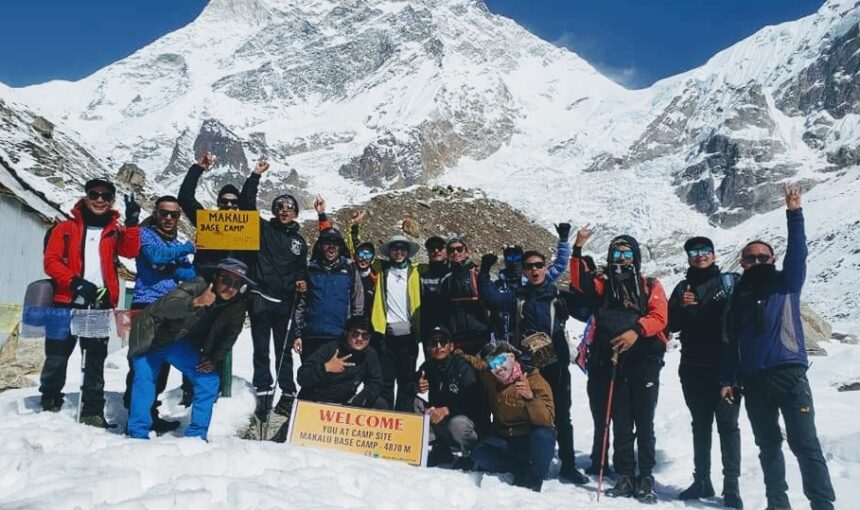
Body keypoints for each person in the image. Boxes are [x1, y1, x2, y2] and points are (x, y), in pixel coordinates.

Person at [722, 185, 835, 510]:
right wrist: (726, 379)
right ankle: (777, 504)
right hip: (754, 382)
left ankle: (823, 505)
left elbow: (799, 251)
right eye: (750, 258)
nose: (757, 261)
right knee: (768, 446)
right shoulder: (737, 300)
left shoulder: (787, 284)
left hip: (790, 376)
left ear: (772, 259)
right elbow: (730, 345)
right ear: (742, 263)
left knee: (805, 444)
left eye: (763, 257)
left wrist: (794, 212)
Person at [571, 229, 669, 504]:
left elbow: (659, 316)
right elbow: (580, 283)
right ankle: (626, 474)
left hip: (643, 362)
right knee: (622, 422)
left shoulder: (649, 285)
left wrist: (636, 331)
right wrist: (577, 248)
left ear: (635, 257)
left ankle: (646, 474)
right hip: (614, 362)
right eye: (617, 253)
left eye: (627, 254)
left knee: (644, 421)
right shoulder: (604, 286)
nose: (622, 258)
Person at [478, 249, 589, 485]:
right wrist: (485, 272)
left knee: (562, 415)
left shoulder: (558, 295)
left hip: (556, 366)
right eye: (529, 267)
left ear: (545, 267)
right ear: (525, 271)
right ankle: (532, 458)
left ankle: (567, 465)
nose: (534, 270)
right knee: (529, 410)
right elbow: (490, 298)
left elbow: (586, 309)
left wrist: (585, 277)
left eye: (538, 265)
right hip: (530, 369)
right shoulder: (518, 297)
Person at [40, 178, 141, 427]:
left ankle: (92, 411)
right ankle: (49, 401)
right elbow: (50, 262)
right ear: (86, 197)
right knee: (56, 356)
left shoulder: (114, 230)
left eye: (105, 196)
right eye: (94, 194)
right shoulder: (64, 228)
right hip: (65, 301)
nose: (99, 200)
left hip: (98, 304)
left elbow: (131, 251)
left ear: (111, 201)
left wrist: (132, 223)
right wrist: (75, 282)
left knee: (95, 359)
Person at [126, 258, 250, 440]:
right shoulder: (197, 286)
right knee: (145, 381)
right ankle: (137, 434)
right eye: (226, 280)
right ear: (216, 277)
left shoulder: (237, 305)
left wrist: (214, 358)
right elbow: (163, 308)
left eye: (237, 284)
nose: (230, 288)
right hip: (151, 336)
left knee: (208, 381)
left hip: (176, 342)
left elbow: (229, 335)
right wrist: (195, 302)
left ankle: (196, 436)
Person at [668, 236, 742, 507]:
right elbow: (671, 325)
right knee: (700, 425)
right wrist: (681, 307)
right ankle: (702, 480)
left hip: (726, 368)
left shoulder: (730, 283)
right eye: (694, 252)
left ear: (713, 254)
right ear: (688, 257)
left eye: (704, 251)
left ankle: (731, 486)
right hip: (692, 367)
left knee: (728, 427)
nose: (700, 256)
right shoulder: (681, 288)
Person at [239, 161, 308, 419]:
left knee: (284, 350)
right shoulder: (263, 229)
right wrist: (255, 175)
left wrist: (302, 281)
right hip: (260, 296)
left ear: (296, 213)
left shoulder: (300, 242)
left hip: (285, 302)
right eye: (280, 207)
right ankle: (263, 389)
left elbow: (301, 269)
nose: (284, 211)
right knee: (261, 348)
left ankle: (288, 392)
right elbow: (246, 205)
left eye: (289, 208)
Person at [123, 195, 197, 433]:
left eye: (173, 215)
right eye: (164, 213)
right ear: (155, 213)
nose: (168, 218)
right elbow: (154, 256)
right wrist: (185, 249)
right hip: (145, 306)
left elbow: (188, 274)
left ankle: (151, 413)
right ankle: (133, 417)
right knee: (141, 365)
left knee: (161, 365)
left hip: (169, 309)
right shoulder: (145, 234)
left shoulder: (173, 244)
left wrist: (180, 263)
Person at [462, 342, 556, 492]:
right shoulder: (490, 375)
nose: (497, 368)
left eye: (500, 361)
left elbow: (546, 420)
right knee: (480, 453)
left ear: (512, 357)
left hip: (530, 439)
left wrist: (530, 398)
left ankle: (534, 480)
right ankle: (519, 468)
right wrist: (457, 353)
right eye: (492, 364)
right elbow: (478, 364)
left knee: (544, 437)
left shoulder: (534, 380)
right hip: (506, 439)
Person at [415, 326, 489, 467]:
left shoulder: (463, 367)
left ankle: (470, 454)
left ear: (451, 346)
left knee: (457, 424)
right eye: (434, 343)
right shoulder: (427, 367)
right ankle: (439, 448)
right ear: (428, 348)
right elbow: (407, 388)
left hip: (465, 423)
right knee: (414, 403)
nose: (439, 347)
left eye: (443, 342)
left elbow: (475, 401)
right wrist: (416, 386)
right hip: (440, 423)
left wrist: (448, 410)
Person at [491, 222, 572, 343]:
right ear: (505, 260)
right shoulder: (498, 285)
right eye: (510, 257)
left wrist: (564, 240)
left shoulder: (534, 278)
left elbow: (560, 266)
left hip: (535, 339)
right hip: (507, 339)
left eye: (517, 257)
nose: (513, 261)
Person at [294, 227, 364, 364]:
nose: (331, 248)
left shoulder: (349, 269)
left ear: (340, 247)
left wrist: (355, 331)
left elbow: (358, 301)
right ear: (320, 246)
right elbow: (301, 304)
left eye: (335, 244)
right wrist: (297, 334)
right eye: (327, 243)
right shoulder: (310, 269)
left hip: (339, 335)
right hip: (311, 336)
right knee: (311, 378)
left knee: (336, 381)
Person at [370, 234, 422, 411]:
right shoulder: (381, 269)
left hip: (409, 335)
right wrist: (353, 228)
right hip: (386, 335)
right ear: (389, 252)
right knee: (386, 381)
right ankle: (386, 420)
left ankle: (404, 420)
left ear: (408, 252)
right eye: (395, 248)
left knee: (407, 382)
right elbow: (358, 254)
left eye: (402, 248)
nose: (399, 252)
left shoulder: (416, 271)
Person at [296, 316, 385, 409]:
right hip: (316, 401)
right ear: (346, 333)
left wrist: (364, 397)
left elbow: (375, 382)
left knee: (380, 403)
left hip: (344, 404)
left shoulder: (370, 354)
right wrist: (325, 368)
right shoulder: (330, 349)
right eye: (355, 334)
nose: (360, 339)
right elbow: (302, 377)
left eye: (365, 335)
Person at [177, 152, 243, 271]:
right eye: (225, 201)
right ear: (219, 203)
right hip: (205, 276)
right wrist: (198, 169)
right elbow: (185, 198)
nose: (229, 205)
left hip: (232, 282)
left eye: (233, 202)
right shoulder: (206, 221)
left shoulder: (246, 226)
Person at [439, 235, 491, 354]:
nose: (455, 252)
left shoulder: (476, 275)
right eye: (451, 250)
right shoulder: (446, 280)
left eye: (459, 249)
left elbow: (491, 301)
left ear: (466, 252)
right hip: (458, 340)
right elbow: (442, 310)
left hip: (481, 337)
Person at [419, 235, 449, 337]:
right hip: (430, 331)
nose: (436, 251)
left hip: (454, 328)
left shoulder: (455, 274)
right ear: (428, 253)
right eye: (432, 248)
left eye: (440, 247)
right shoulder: (422, 278)